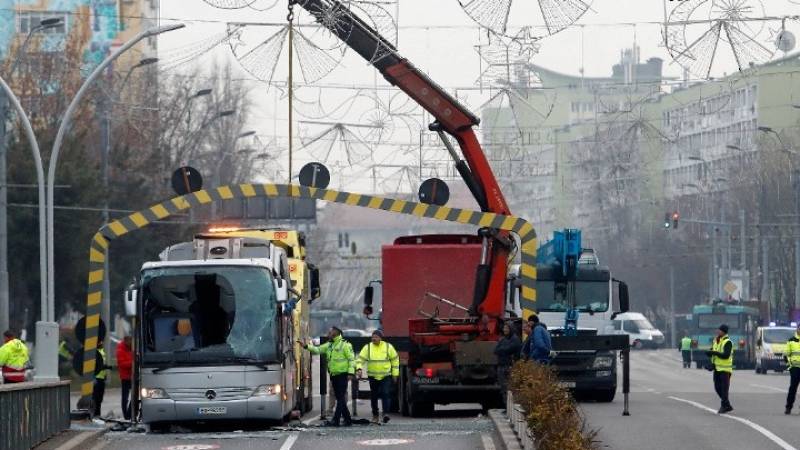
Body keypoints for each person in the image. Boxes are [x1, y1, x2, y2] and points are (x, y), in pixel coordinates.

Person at [300, 327, 355, 427]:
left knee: (341, 398)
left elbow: (351, 359)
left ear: (335, 334)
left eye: (330, 332)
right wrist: (306, 346)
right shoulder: (330, 345)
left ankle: (336, 420)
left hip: (343, 375)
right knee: (340, 398)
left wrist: (351, 373)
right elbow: (318, 350)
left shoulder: (345, 345)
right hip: (334, 375)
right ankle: (348, 420)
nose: (328, 334)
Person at [357, 330, 399, 424]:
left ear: (380, 338)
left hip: (385, 375)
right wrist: (359, 369)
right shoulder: (367, 347)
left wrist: (395, 374)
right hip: (373, 376)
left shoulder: (388, 347)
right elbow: (360, 359)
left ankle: (385, 414)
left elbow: (395, 360)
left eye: (376, 337)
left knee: (385, 393)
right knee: (374, 396)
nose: (373, 339)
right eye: (372, 337)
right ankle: (375, 415)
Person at [705, 324, 734, 414]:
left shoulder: (728, 342)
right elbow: (714, 351)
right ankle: (727, 404)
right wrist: (709, 353)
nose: (718, 331)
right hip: (717, 368)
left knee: (724, 389)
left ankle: (724, 406)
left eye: (720, 330)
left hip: (725, 369)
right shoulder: (716, 340)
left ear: (724, 332)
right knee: (717, 388)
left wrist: (714, 352)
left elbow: (726, 355)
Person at [494, 323, 522, 402]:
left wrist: (502, 349)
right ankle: (506, 406)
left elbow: (509, 349)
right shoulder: (503, 339)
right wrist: (503, 349)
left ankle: (509, 406)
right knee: (503, 388)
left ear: (511, 329)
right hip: (501, 365)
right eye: (504, 328)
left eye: (506, 328)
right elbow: (496, 350)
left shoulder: (515, 339)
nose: (504, 330)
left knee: (510, 388)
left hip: (509, 365)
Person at [783, 322, 800, 415]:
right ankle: (788, 407)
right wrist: (790, 366)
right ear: (797, 329)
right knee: (793, 388)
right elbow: (786, 355)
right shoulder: (791, 341)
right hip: (795, 369)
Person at [117, 336, 133, 420]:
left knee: (135, 396)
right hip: (125, 377)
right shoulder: (120, 350)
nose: (131, 344)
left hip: (133, 376)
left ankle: (130, 413)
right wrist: (132, 363)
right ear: (126, 341)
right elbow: (122, 364)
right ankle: (126, 415)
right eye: (130, 342)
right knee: (125, 397)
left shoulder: (132, 348)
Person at [92, 341, 109, 418]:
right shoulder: (94, 352)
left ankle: (98, 415)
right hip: (95, 378)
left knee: (99, 398)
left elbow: (102, 364)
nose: (101, 343)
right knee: (95, 398)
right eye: (100, 343)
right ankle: (94, 414)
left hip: (101, 378)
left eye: (102, 342)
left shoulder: (101, 351)